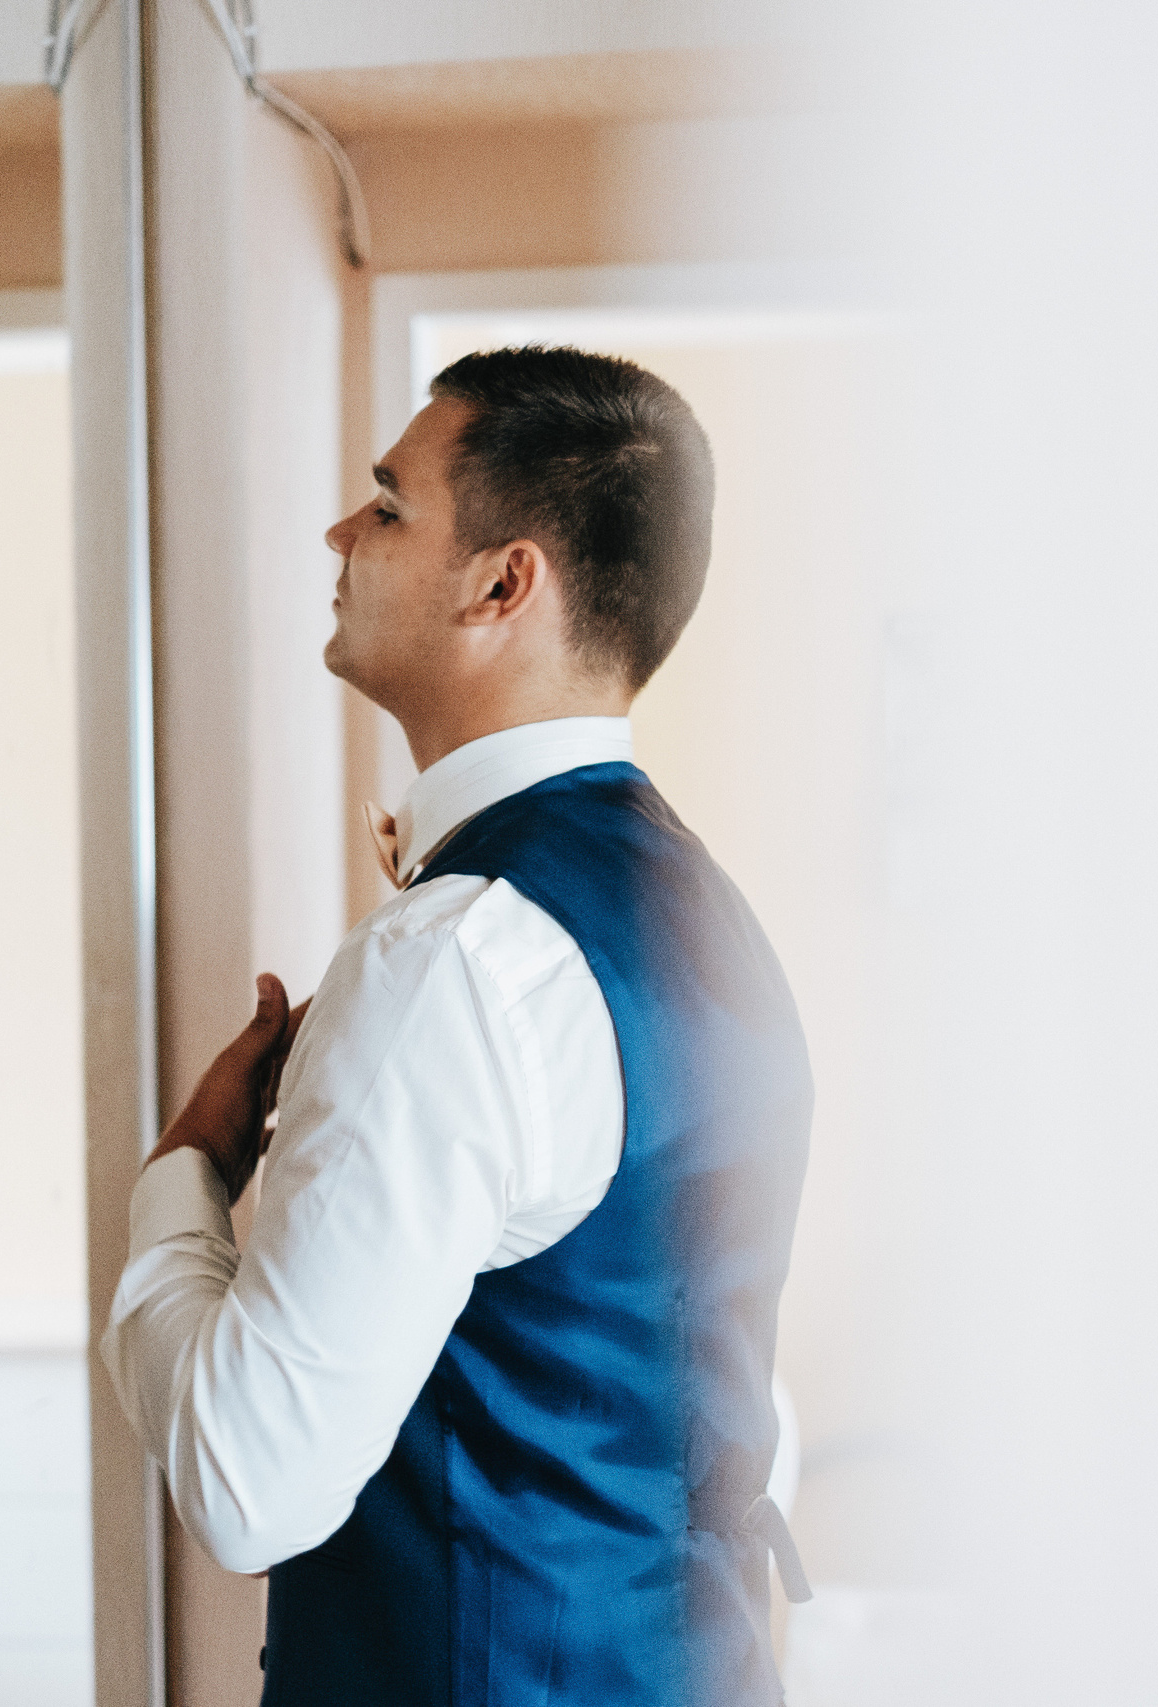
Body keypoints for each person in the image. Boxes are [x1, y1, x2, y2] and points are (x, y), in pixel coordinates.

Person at [102, 346, 814, 1704]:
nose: (339, 532)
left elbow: (247, 1482)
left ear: (502, 584)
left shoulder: (457, 959)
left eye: (386, 505)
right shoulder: (710, 919)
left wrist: (182, 1174)